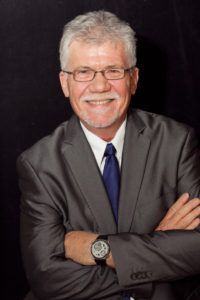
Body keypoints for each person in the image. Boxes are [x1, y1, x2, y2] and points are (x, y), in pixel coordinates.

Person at [17, 10, 200, 300]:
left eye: (114, 70)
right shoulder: (38, 164)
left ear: (134, 79)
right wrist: (157, 247)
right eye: (84, 72)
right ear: (65, 83)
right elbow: (48, 279)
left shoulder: (177, 142)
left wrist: (96, 249)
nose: (100, 85)